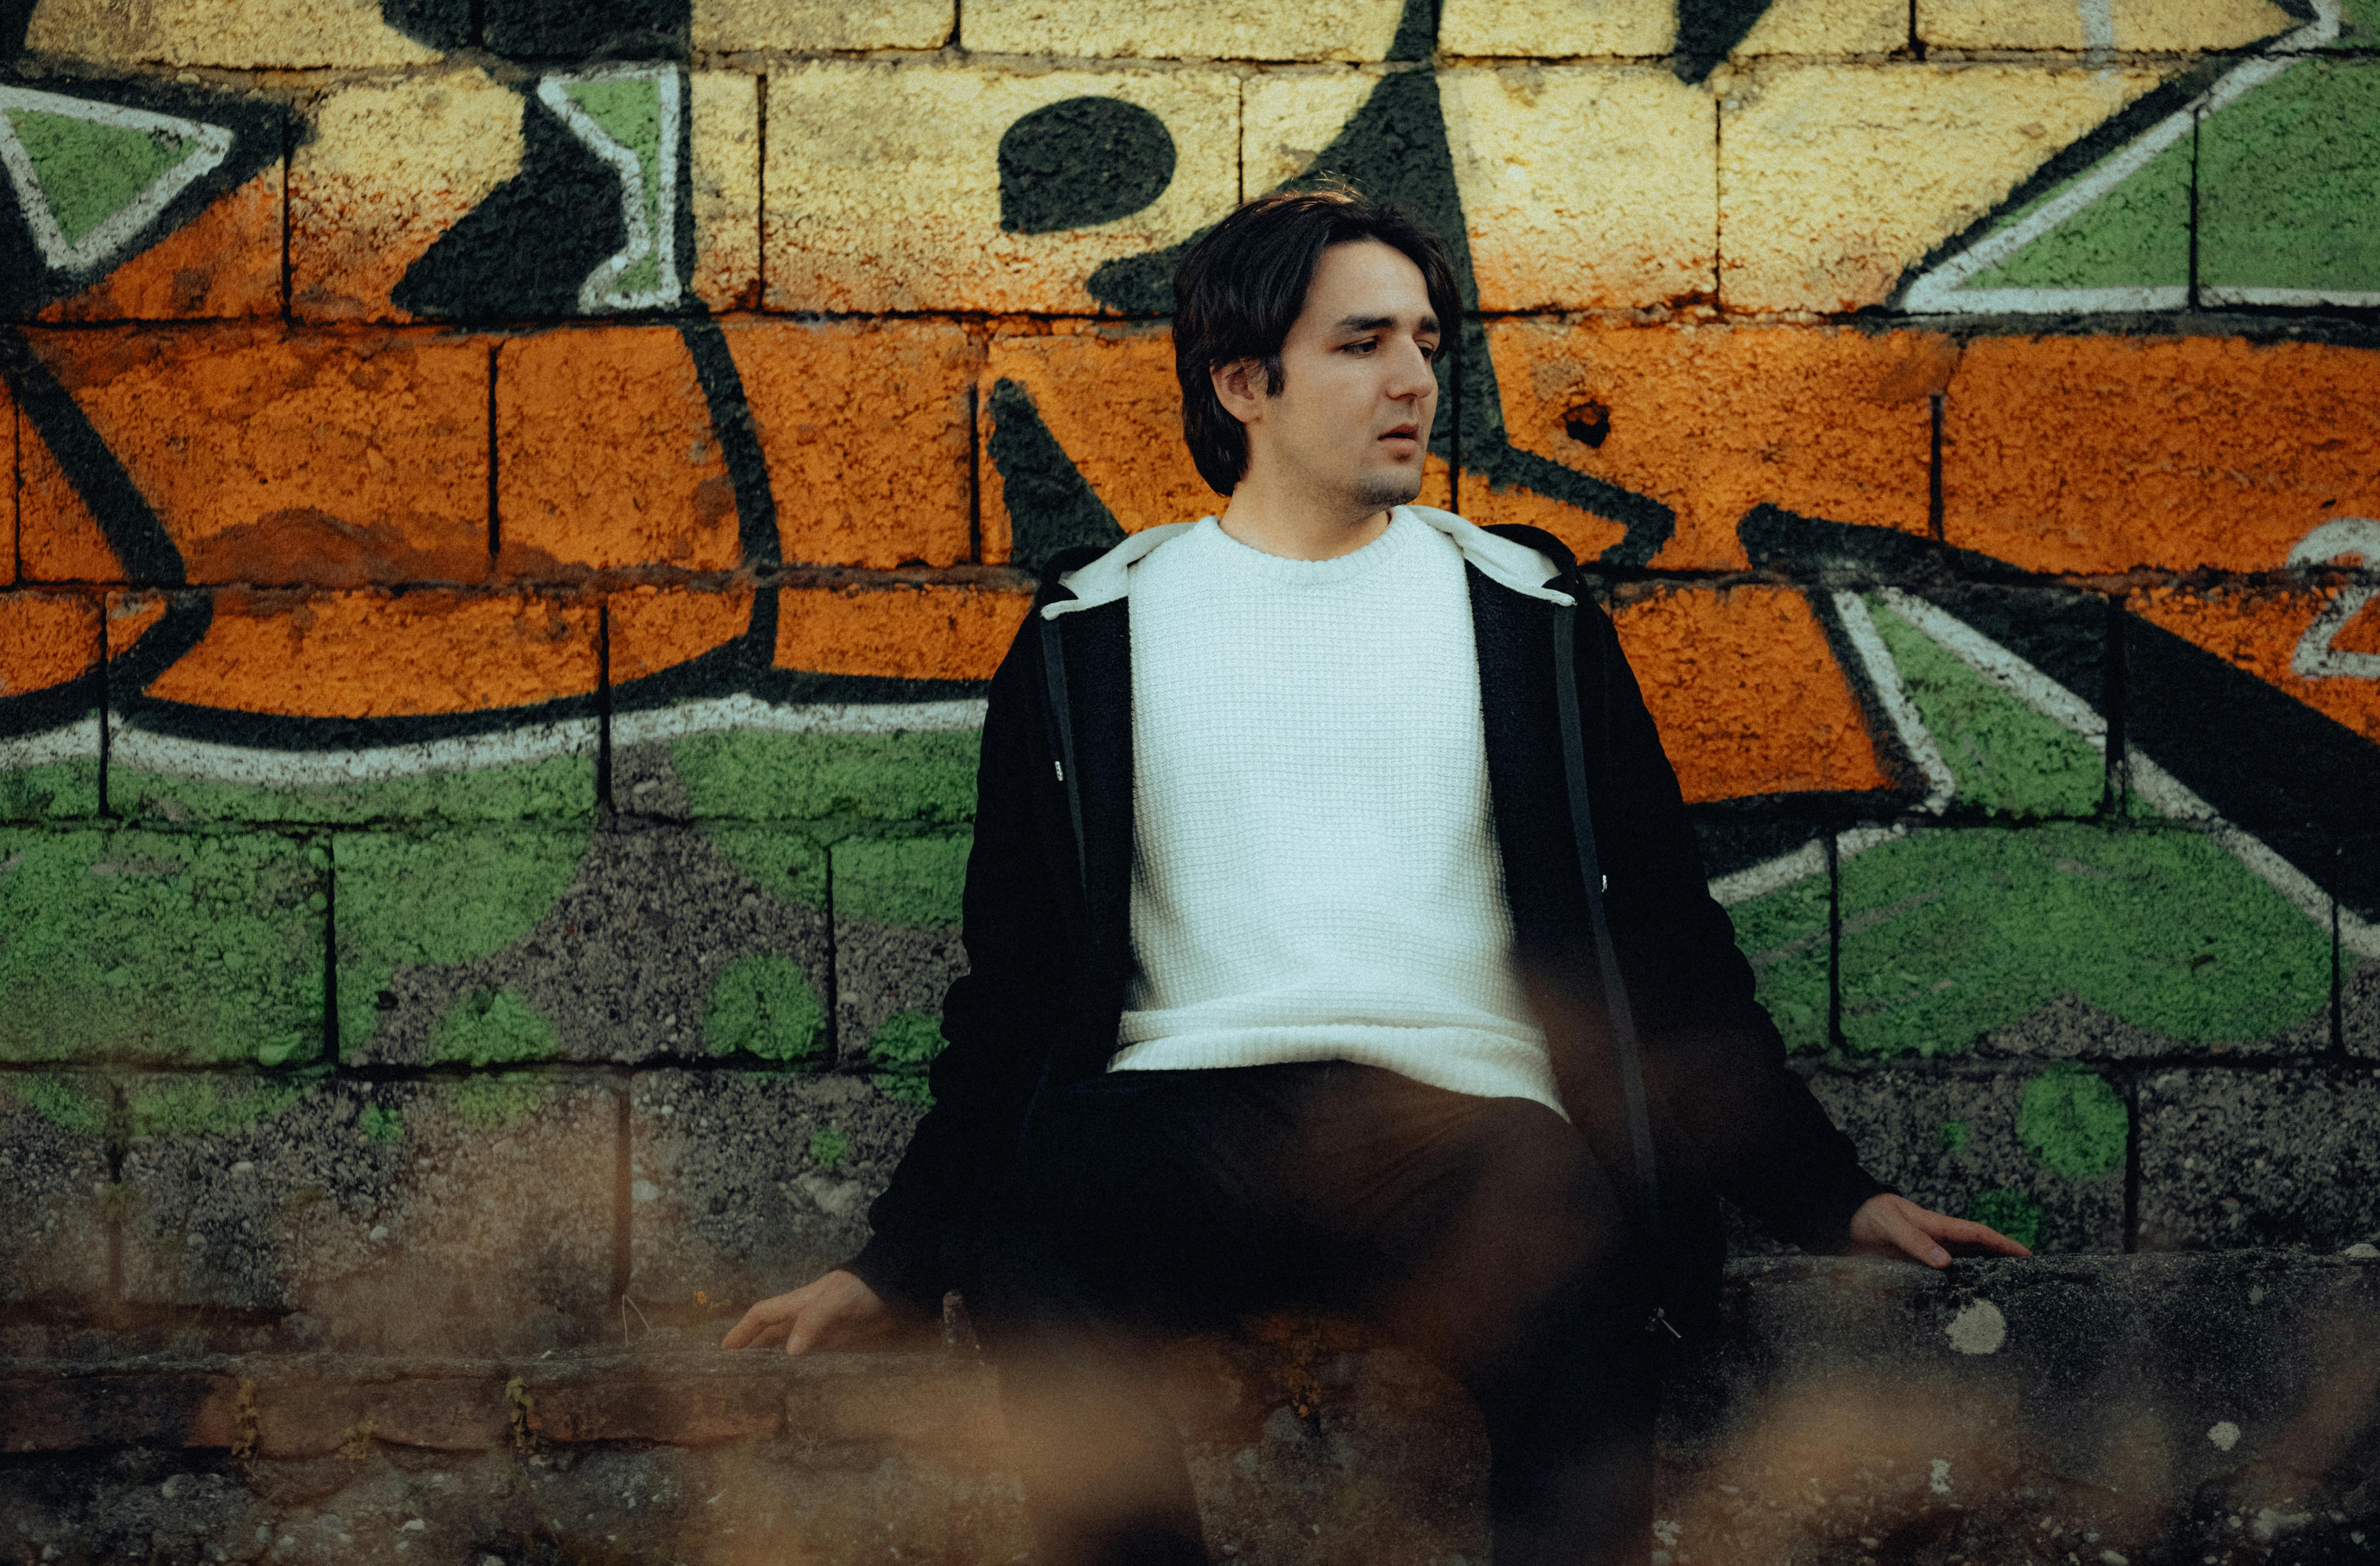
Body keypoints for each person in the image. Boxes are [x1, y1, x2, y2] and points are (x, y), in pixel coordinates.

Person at [726, 184, 2030, 1563]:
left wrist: (1824, 1191)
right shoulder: (1088, 635)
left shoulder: (1527, 615)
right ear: (1245, 382)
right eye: (1362, 343)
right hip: (1183, 1128)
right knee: (1029, 1236)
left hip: (1462, 1135)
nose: (1414, 378)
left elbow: (1660, 935)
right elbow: (1014, 996)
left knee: (1592, 1284)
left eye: (1425, 338)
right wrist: (896, 1259)